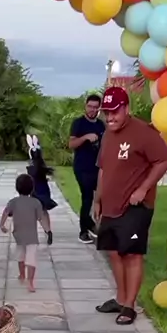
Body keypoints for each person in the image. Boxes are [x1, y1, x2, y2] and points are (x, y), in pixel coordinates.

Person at [94, 86, 167, 326]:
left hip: (135, 206)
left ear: (126, 108)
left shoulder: (143, 132)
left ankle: (129, 305)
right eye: (107, 113)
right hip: (110, 204)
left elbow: (164, 159)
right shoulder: (108, 134)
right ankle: (120, 299)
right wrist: (98, 199)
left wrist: (143, 188)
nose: (110, 117)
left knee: (131, 254)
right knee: (113, 252)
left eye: (115, 112)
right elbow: (103, 169)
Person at [0, 173, 50, 293]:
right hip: (32, 237)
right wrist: (48, 230)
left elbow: (6, 212)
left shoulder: (13, 202)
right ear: (32, 188)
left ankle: (22, 274)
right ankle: (30, 283)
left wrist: (2, 225)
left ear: (17, 187)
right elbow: (41, 218)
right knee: (31, 259)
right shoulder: (36, 202)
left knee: (21, 256)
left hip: (18, 235)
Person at [69, 93, 105, 244]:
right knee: (87, 197)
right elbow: (71, 144)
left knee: (102, 197)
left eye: (95, 107)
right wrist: (85, 137)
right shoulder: (79, 123)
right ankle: (83, 231)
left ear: (99, 108)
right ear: (85, 106)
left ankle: (95, 226)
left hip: (98, 168)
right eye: (90, 106)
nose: (92, 110)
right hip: (82, 167)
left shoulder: (101, 125)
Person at [26, 134, 56, 245]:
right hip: (45, 191)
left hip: (35, 192)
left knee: (36, 213)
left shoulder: (32, 167)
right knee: (44, 211)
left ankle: (41, 231)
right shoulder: (41, 165)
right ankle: (48, 231)